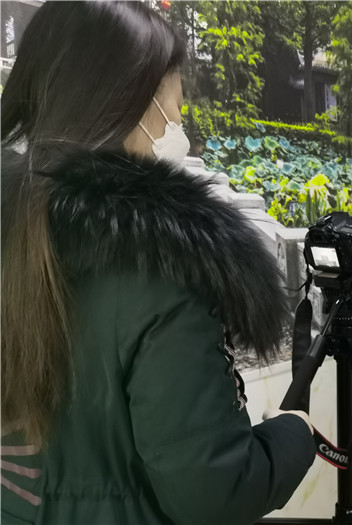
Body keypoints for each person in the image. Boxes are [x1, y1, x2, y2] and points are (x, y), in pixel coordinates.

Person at [0, 2, 316, 524]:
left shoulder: (18, 229)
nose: (179, 128)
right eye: (175, 111)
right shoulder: (161, 270)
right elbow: (214, 491)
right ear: (131, 106)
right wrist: (295, 433)